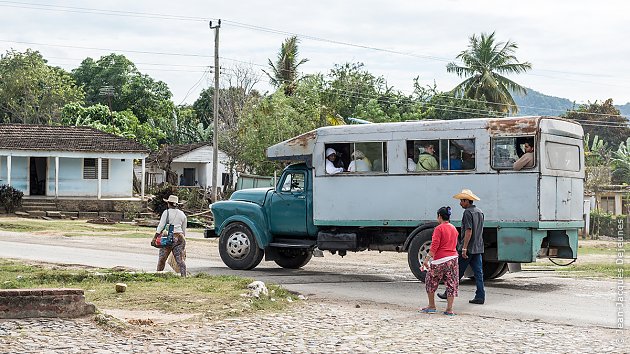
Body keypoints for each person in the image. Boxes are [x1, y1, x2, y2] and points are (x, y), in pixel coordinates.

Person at [438, 189, 485, 304]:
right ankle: (480, 296)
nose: (460, 203)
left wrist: (464, 247)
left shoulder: (467, 213)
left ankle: (448, 292)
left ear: (467, 201)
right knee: (478, 273)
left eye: (461, 201)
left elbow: (468, 231)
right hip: (478, 247)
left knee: (457, 272)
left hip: (468, 248)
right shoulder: (479, 212)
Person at [420, 206, 459, 316]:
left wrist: (426, 260)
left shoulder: (439, 229)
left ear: (439, 216)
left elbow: (434, 246)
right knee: (451, 283)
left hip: (440, 260)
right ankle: (449, 309)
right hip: (453, 259)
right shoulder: (453, 228)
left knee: (430, 281)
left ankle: (432, 306)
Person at [155, 194, 187, 277]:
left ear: (168, 203)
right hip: (180, 237)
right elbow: (183, 230)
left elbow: (161, 226)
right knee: (180, 260)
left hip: (168, 238)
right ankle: (184, 276)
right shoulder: (182, 214)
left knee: (162, 259)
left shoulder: (166, 212)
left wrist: (155, 237)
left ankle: (158, 275)